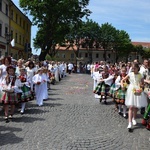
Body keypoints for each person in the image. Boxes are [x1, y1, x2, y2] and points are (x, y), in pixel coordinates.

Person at [121, 62, 147, 131]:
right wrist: (122, 86)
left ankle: (134, 118)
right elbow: (123, 80)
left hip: (137, 90)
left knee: (135, 107)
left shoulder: (140, 75)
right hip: (131, 90)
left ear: (137, 68)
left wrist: (141, 87)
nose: (133, 69)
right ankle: (129, 123)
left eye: (134, 68)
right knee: (131, 107)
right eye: (132, 68)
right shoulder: (130, 74)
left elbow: (142, 84)